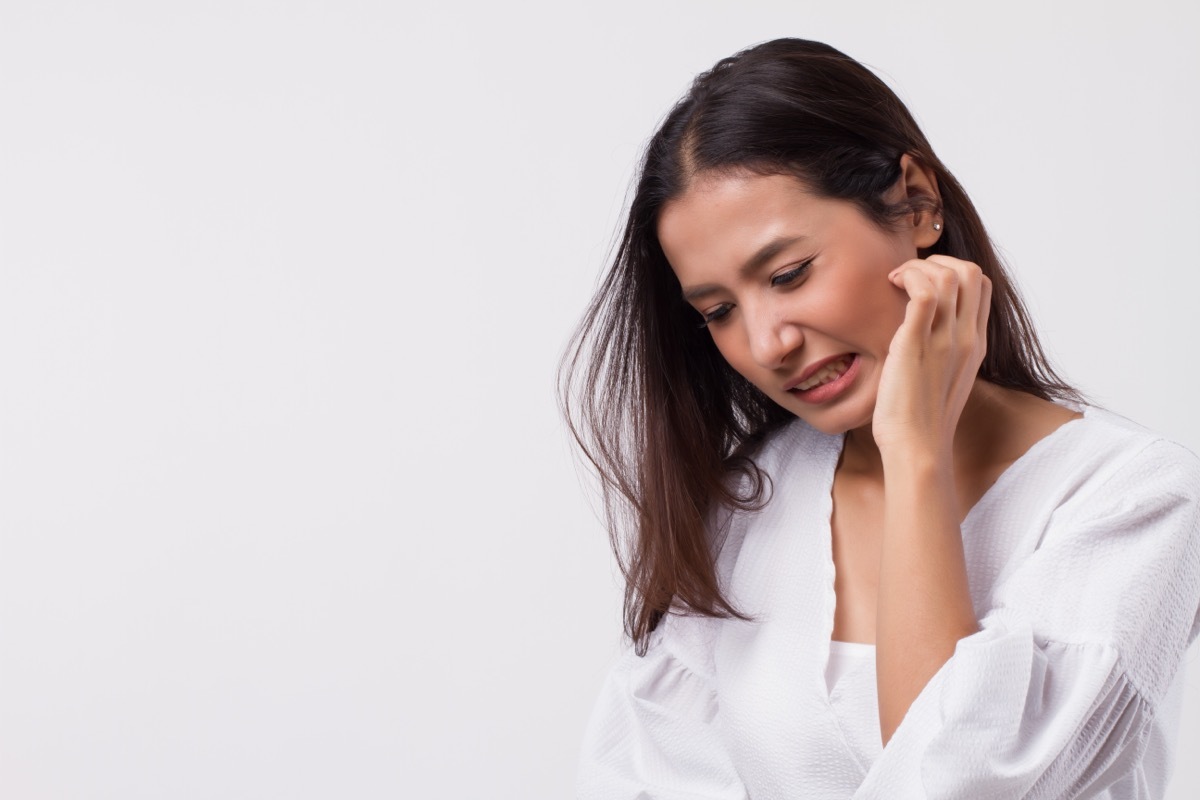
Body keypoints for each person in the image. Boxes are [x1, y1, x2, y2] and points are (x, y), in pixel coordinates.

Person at [560, 38, 1200, 798]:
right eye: (720, 311)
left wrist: (915, 456)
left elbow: (964, 785)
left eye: (789, 273)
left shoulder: (1130, 499)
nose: (768, 344)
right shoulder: (744, 504)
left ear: (917, 201)